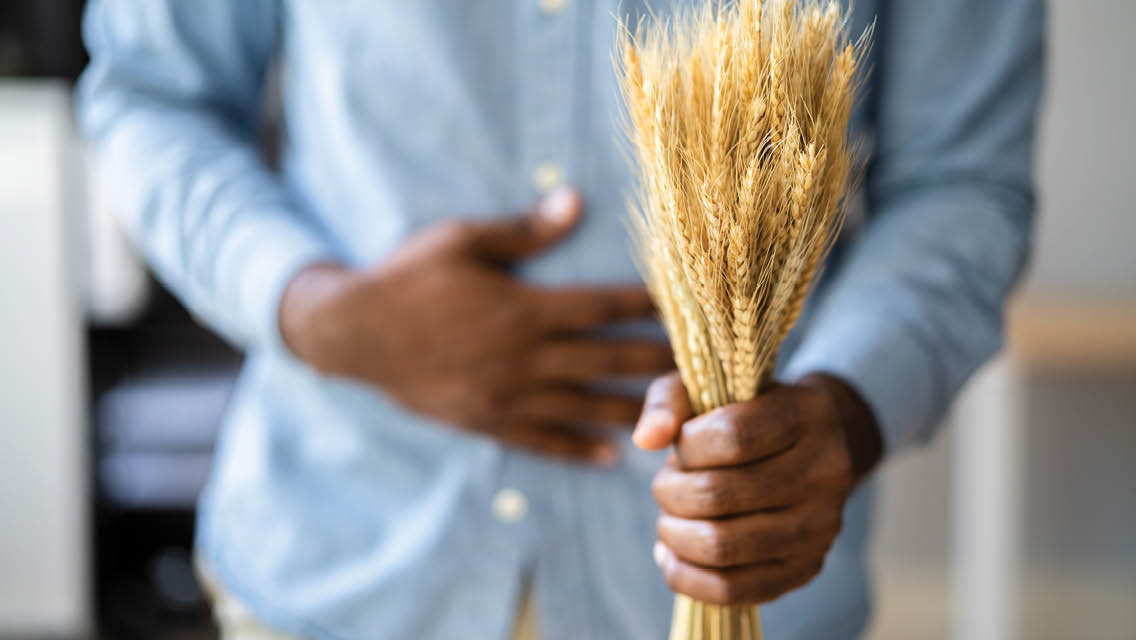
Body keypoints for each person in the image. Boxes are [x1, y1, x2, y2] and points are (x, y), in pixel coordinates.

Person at [77, 0, 1044, 638]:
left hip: (755, 596)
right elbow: (150, 95)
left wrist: (840, 413)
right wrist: (322, 312)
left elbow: (962, 185)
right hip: (345, 562)